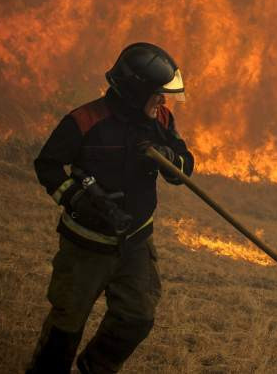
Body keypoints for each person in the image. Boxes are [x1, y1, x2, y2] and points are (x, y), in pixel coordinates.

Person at [27, 43, 194, 374]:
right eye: (157, 93)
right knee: (66, 327)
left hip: (135, 244)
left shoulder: (160, 118)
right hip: (86, 246)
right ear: (135, 92)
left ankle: (95, 368)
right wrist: (76, 199)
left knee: (138, 316)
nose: (163, 100)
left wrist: (167, 155)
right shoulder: (85, 120)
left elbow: (184, 169)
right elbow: (47, 165)